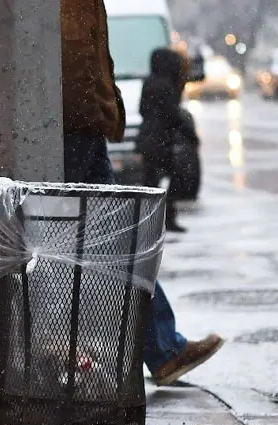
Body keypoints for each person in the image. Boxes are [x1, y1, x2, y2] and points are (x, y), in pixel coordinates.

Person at [61, 0, 223, 386]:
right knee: (95, 242)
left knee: (115, 239)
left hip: (83, 125)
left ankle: (162, 348)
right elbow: (73, 63)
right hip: (73, 126)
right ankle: (156, 348)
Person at [137, 48, 187, 233]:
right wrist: (188, 133)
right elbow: (173, 114)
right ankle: (166, 219)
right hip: (160, 139)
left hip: (147, 137)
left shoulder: (148, 82)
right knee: (174, 176)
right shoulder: (167, 84)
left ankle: (150, 221)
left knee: (150, 180)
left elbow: (142, 109)